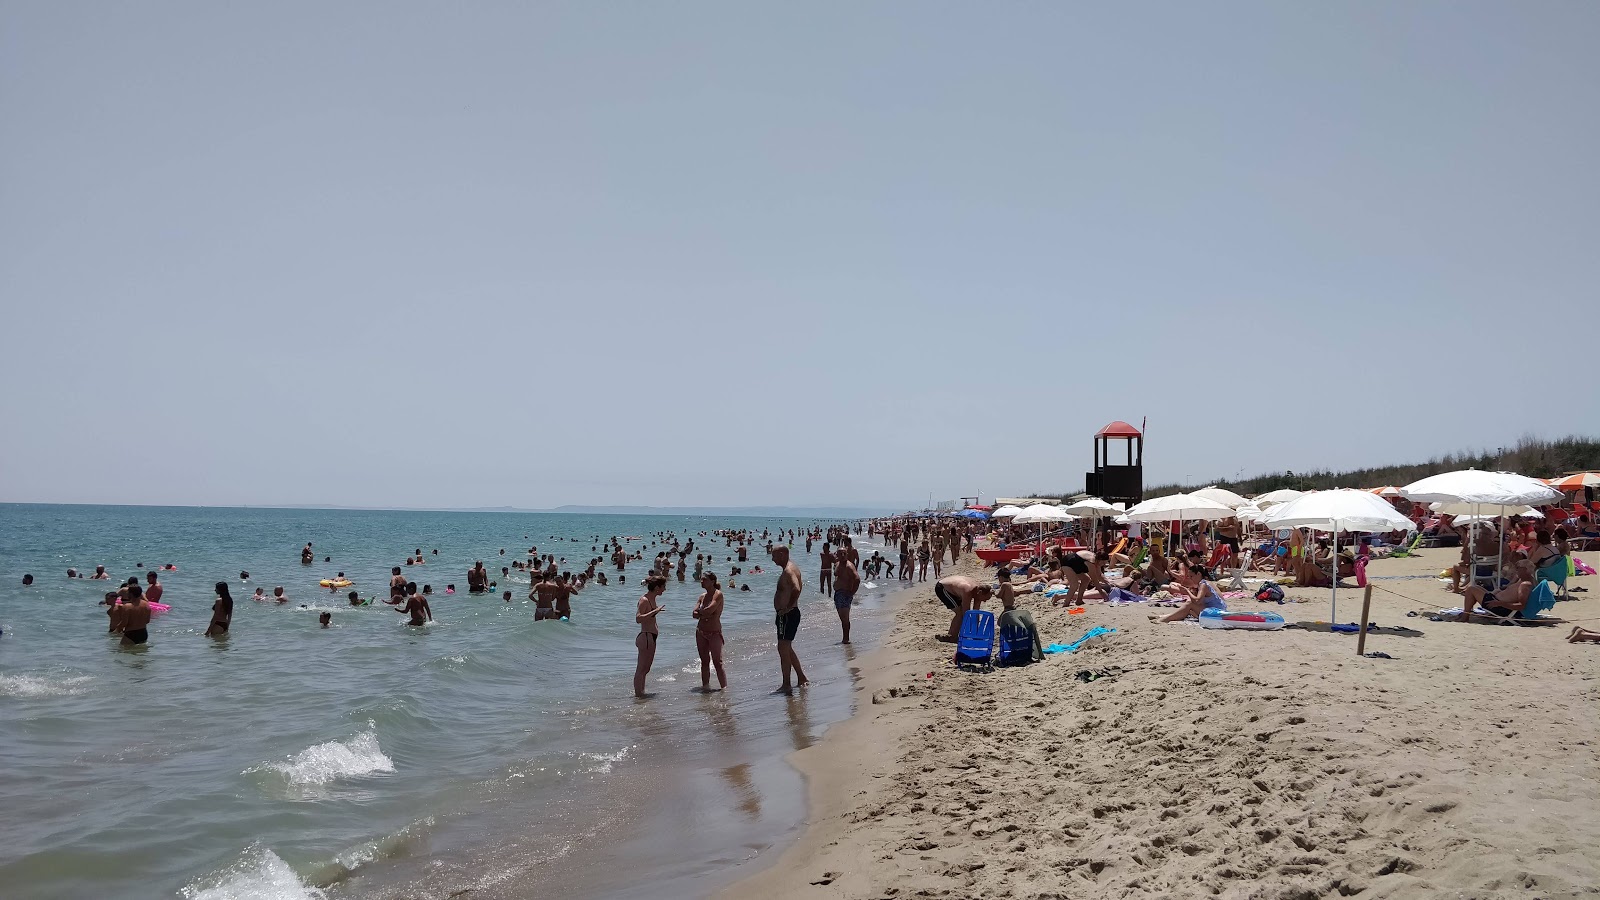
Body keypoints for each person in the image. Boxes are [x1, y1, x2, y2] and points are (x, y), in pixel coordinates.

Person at [771, 545, 808, 693]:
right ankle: (801, 677)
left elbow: (796, 588)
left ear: (782, 554)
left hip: (788, 614)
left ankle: (786, 684)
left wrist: (788, 607)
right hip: (786, 615)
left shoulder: (789, 570)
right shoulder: (790, 568)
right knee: (786, 648)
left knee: (783, 647)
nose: (772, 559)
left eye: (774, 555)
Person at [996, 576, 1044, 665]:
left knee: (1000, 623)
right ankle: (1014, 641)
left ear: (1001, 577)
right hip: (1012, 608)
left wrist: (993, 592)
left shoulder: (1004, 584)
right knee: (1011, 626)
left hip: (1007, 609)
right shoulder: (1009, 584)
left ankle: (1012, 643)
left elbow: (999, 595)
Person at [693, 572, 727, 691]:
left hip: (714, 632)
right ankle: (705, 687)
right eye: (701, 580)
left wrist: (702, 614)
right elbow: (694, 613)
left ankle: (724, 688)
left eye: (704, 580)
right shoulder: (702, 596)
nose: (701, 581)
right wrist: (705, 614)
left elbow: (709, 610)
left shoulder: (718, 595)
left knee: (717, 662)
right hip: (701, 632)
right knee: (704, 661)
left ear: (712, 581)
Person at [1153, 567, 1226, 623]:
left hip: (1217, 612)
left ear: (1198, 574)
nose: (1191, 579)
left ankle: (1164, 619)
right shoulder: (1205, 583)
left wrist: (1187, 591)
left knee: (1189, 604)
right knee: (1189, 606)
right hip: (1217, 609)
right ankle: (1165, 617)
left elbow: (1197, 601)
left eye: (1191, 576)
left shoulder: (1203, 584)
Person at [634, 574, 667, 698]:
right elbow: (638, 619)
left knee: (646, 669)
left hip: (651, 637)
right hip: (645, 637)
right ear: (657, 587)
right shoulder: (644, 600)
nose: (665, 589)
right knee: (641, 669)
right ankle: (638, 696)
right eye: (664, 586)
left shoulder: (652, 599)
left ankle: (641, 694)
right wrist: (654, 611)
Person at [933, 574, 992, 642]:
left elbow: (976, 613)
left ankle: (953, 636)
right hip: (943, 587)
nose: (984, 601)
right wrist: (969, 633)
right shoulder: (968, 591)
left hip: (957, 588)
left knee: (962, 613)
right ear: (980, 593)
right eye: (985, 599)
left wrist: (975, 632)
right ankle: (951, 636)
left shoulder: (979, 592)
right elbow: (966, 613)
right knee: (960, 613)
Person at [1460, 569, 1534, 621]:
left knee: (1471, 589)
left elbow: (1521, 605)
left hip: (1498, 607)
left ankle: (1465, 616)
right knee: (1475, 587)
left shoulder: (1525, 585)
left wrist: (1499, 603)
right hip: (1497, 602)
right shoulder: (1522, 581)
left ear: (1526, 570)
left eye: (1519, 568)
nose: (1516, 570)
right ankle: (1467, 612)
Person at [832, 550, 860, 644]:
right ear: (837, 555)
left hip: (845, 593)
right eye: (841, 554)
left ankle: (846, 639)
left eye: (844, 553)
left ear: (847, 554)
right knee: (842, 618)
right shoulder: (838, 564)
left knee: (845, 618)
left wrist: (852, 592)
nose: (843, 555)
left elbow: (857, 579)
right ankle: (845, 638)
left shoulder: (849, 566)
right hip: (838, 593)